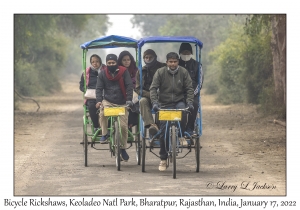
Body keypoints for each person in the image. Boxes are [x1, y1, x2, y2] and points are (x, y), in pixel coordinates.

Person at [150, 52, 194, 171]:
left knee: (183, 112)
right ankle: (163, 159)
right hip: (164, 103)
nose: (173, 64)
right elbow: (153, 88)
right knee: (164, 132)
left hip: (179, 101)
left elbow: (189, 88)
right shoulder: (160, 72)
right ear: (167, 62)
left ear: (178, 62)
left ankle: (181, 135)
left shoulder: (183, 72)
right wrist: (154, 102)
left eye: (175, 62)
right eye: (170, 62)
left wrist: (189, 102)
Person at [95, 54, 133, 161]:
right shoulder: (102, 74)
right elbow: (99, 88)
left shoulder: (123, 71)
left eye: (113, 63)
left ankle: (123, 148)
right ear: (106, 64)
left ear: (117, 63)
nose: (111, 64)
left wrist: (129, 100)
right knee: (102, 112)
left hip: (122, 102)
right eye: (109, 63)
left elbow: (129, 86)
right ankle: (105, 133)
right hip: (108, 101)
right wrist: (98, 101)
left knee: (124, 127)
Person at [134, 49, 166, 136]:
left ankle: (161, 128)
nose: (148, 59)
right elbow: (137, 88)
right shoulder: (140, 71)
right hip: (147, 96)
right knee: (142, 101)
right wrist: (150, 95)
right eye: (146, 57)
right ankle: (152, 125)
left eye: (150, 57)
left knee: (163, 103)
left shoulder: (163, 68)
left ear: (155, 57)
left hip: (162, 96)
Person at [178, 43, 204, 136]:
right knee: (180, 108)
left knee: (195, 105)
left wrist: (192, 93)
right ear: (180, 53)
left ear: (191, 53)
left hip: (193, 93)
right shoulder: (175, 63)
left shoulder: (197, 65)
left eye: (187, 52)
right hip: (178, 94)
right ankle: (178, 128)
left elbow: (200, 82)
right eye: (183, 52)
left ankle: (189, 128)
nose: (185, 54)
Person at [79, 54, 106, 132]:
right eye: (93, 62)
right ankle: (96, 126)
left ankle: (106, 126)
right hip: (92, 97)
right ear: (90, 63)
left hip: (104, 95)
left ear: (100, 62)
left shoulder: (106, 70)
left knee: (107, 106)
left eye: (97, 61)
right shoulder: (86, 72)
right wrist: (86, 90)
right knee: (91, 106)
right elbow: (81, 85)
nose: (95, 63)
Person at [117, 51, 139, 129]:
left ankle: (131, 123)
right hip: (120, 91)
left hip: (133, 92)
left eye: (128, 60)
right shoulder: (117, 70)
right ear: (120, 61)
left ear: (131, 60)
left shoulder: (135, 70)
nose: (126, 62)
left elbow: (137, 82)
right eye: (124, 60)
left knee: (136, 102)